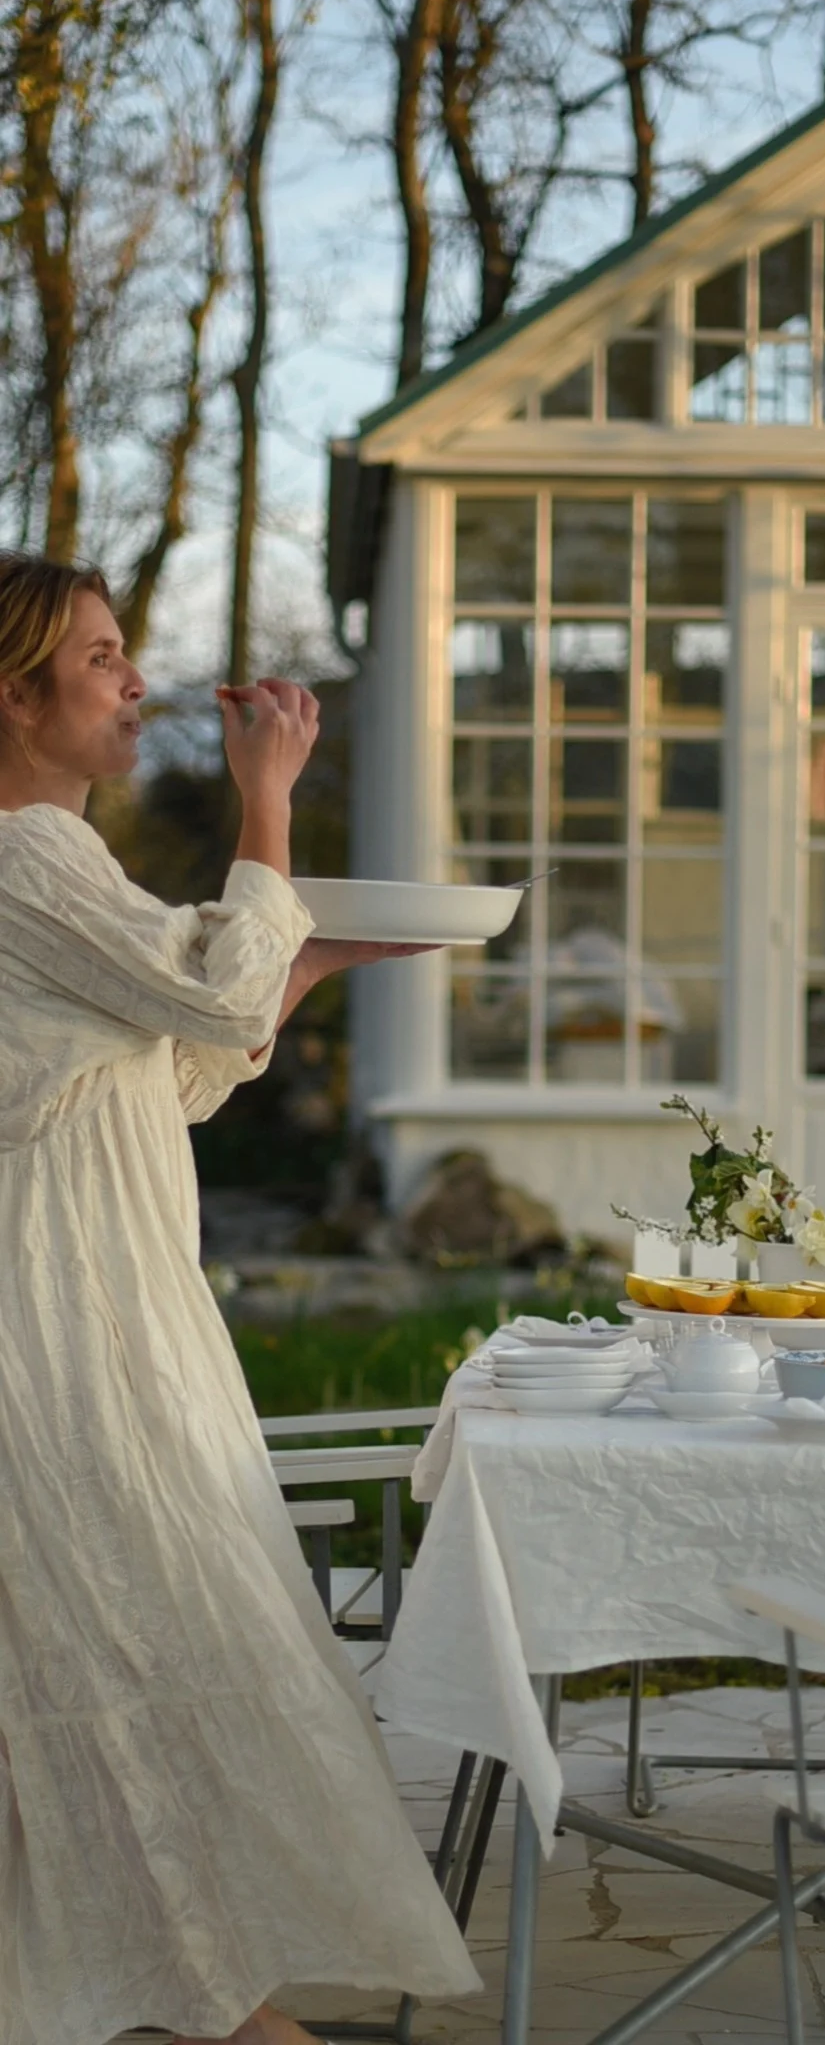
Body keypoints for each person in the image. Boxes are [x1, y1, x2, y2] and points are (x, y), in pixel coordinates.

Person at [0, 553, 480, 2045]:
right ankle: (222, 2010)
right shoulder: (23, 860)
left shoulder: (60, 868)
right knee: (139, 1646)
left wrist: (314, 955)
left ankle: (190, 1997)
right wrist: (270, 801)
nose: (132, 679)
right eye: (98, 658)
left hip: (109, 1304)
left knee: (125, 1652)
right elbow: (209, 996)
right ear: (12, 696)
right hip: (60, 1328)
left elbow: (174, 1072)